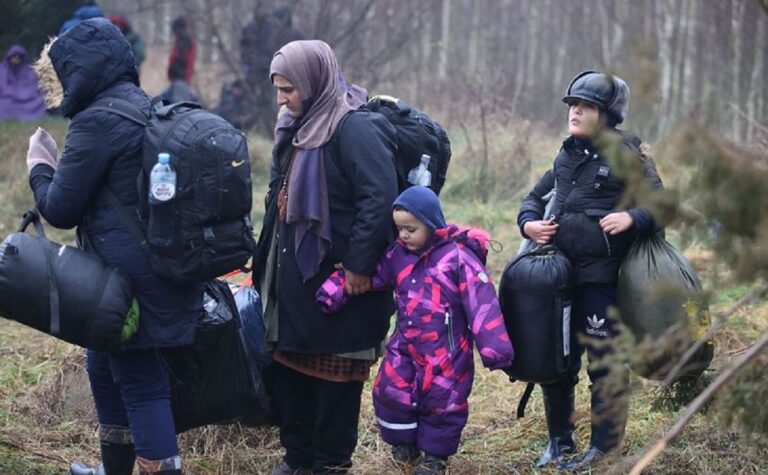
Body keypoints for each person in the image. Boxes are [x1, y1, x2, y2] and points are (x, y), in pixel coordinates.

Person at [28, 18, 200, 475]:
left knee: (140, 380)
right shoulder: (143, 106)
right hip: (154, 269)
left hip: (128, 282)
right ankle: (117, 468)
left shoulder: (96, 122)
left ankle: (160, 469)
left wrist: (38, 166)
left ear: (78, 71)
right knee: (104, 369)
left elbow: (59, 209)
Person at [253, 39, 398, 475]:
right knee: (291, 375)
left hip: (340, 288)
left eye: (289, 89)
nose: (282, 99)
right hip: (296, 287)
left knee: (333, 386)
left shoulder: (354, 129)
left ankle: (329, 465)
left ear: (315, 82)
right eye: (278, 89)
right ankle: (296, 459)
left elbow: (380, 200)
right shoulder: (295, 128)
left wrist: (357, 265)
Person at [517, 70, 665, 470]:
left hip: (602, 280)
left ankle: (604, 447)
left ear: (607, 114)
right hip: (558, 277)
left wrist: (632, 217)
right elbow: (534, 198)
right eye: (572, 105)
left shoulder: (628, 155)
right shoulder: (567, 153)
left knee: (604, 362)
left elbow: (661, 204)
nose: (575, 112)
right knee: (556, 359)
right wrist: (529, 223)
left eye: (585, 106)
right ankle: (559, 442)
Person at [316, 186, 515, 475]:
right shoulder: (398, 255)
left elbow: (481, 302)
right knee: (390, 390)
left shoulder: (457, 259)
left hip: (446, 351)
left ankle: (435, 457)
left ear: (432, 224)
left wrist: (495, 349)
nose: (404, 235)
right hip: (405, 343)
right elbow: (371, 275)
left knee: (442, 401)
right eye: (399, 229)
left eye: (411, 229)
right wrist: (335, 288)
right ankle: (403, 443)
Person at [240, 3, 303, 135]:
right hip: (259, 69)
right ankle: (256, 127)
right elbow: (245, 48)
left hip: (273, 70)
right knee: (255, 99)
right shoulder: (252, 28)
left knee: (272, 100)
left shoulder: (272, 29)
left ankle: (271, 128)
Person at [0, 44, 46, 121]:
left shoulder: (30, 72)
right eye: (13, 57)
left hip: (28, 101)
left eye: (18, 57)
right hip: (8, 100)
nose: (15, 60)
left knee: (39, 102)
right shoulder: (2, 70)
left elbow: (36, 89)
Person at [160, 16, 200, 104]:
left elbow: (180, 59)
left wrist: (175, 72)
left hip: (180, 78)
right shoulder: (182, 39)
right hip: (179, 79)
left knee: (177, 104)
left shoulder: (185, 39)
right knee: (162, 99)